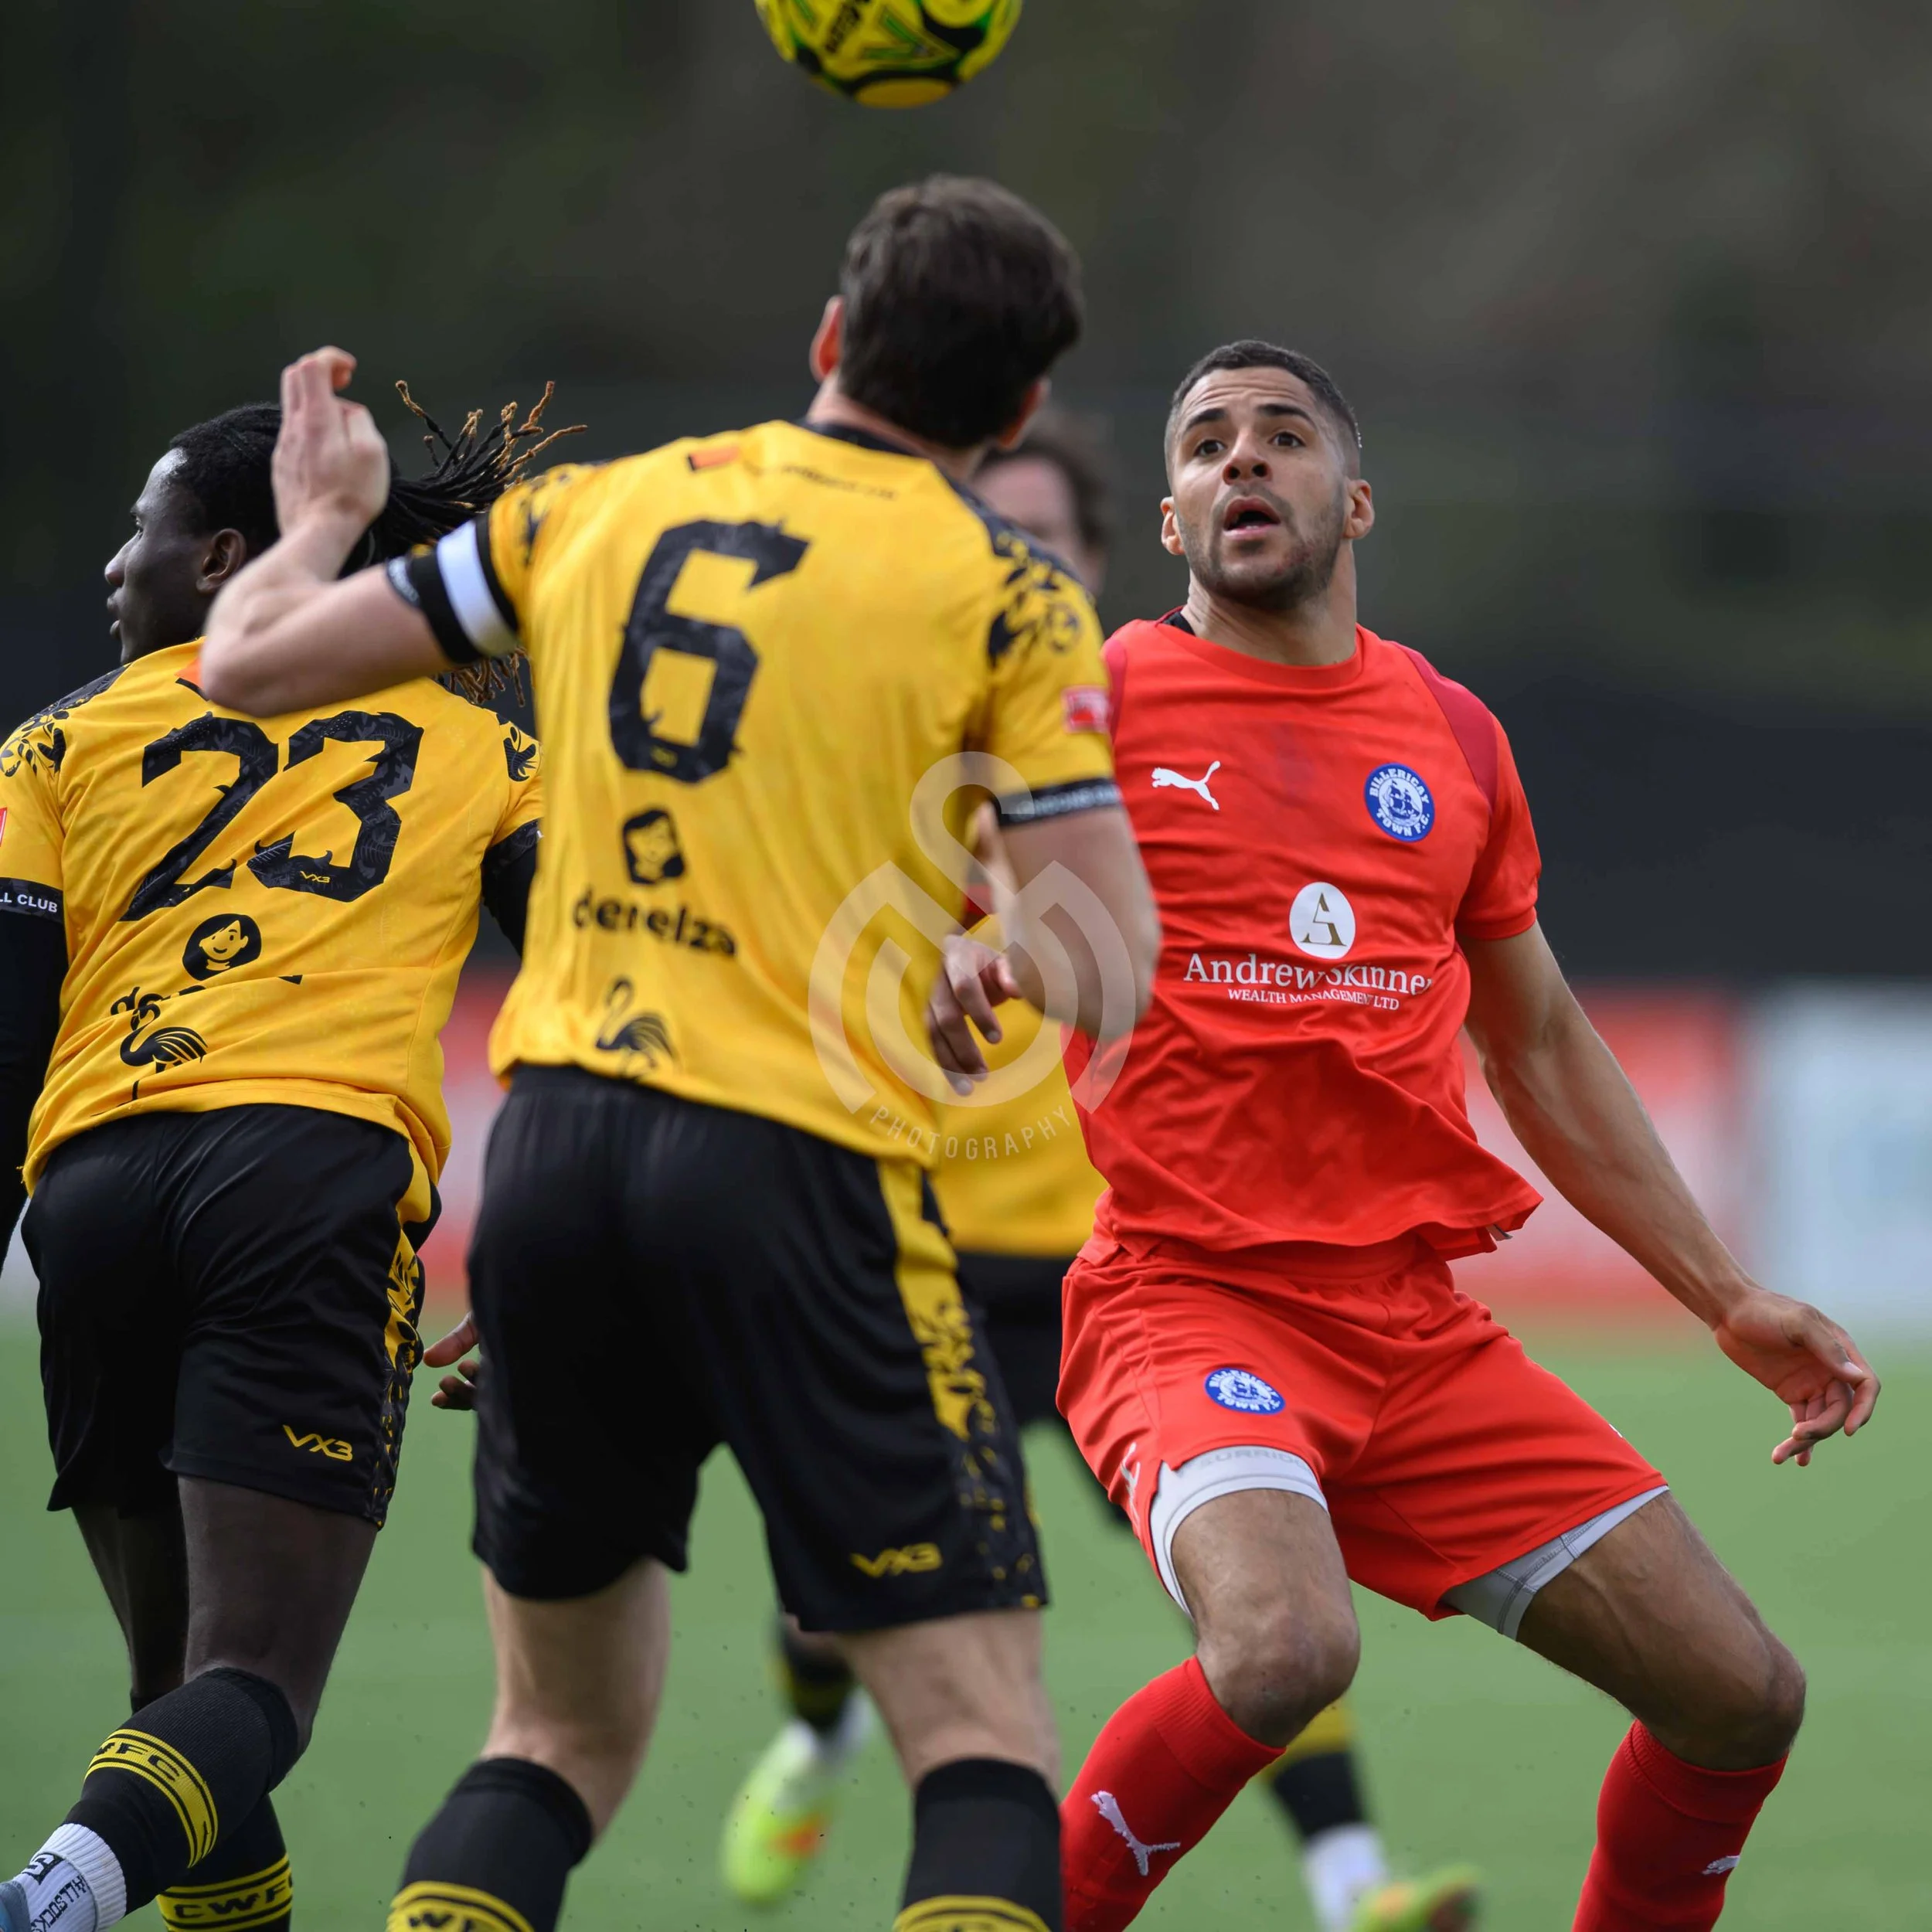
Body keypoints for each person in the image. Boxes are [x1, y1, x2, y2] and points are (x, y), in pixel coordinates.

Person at [199, 176, 1159, 1932]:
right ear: (1016, 413)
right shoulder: (1010, 590)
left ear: (826, 342)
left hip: (554, 1153)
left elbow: (246, 663)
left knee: (550, 1736)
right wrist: (991, 951)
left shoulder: (594, 507)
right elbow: (1112, 955)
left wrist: (319, 516)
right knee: (976, 1738)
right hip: (798, 1160)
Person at [926, 339, 1880, 1932]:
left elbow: (1541, 1044)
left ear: (1351, 496)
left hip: (1413, 1334)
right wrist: (966, 950)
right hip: (1186, 1299)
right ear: (1167, 517)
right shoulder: (1085, 704)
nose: (1241, 460)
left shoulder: (1447, 733)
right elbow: (913, 943)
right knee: (1283, 1650)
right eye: (1205, 443)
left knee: (1740, 1695)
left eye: (1281, 436)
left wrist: (1722, 1296)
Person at [723, 412, 1478, 1932]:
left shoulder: (1144, 732)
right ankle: (815, 1735)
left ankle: (1350, 1885)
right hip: (918, 1254)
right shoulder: (894, 751)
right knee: (835, 1603)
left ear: (1089, 555)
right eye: (983, 540)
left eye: (1039, 542)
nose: (1014, 567)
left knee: (1253, 1590)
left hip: (1121, 1265)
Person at [0, 389, 558, 1932]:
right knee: (250, 1689)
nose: (117, 561)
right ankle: (53, 1895)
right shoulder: (474, 746)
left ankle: (94, 1872)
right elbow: (588, 1010)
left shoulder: (54, 741)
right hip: (306, 1179)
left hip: (94, 1189)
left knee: (179, 1696)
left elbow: (6, 1030)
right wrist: (546, 1261)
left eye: (141, 529)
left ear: (227, 557)